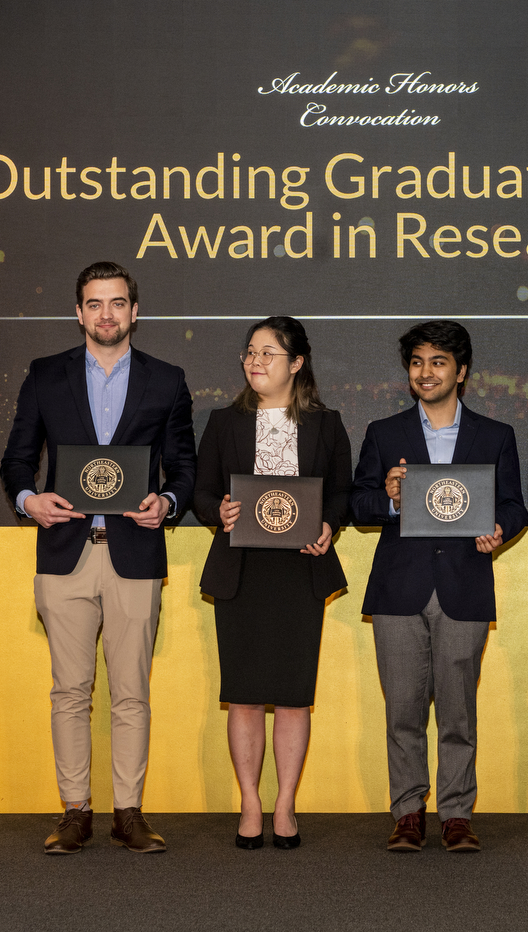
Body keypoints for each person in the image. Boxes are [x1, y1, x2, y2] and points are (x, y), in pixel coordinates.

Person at [0, 261, 196, 855]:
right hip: (65, 554)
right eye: (94, 303)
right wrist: (29, 500)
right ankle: (75, 811)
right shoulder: (44, 375)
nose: (106, 314)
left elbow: (184, 468)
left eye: (116, 303)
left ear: (135, 311)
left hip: (136, 553)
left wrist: (166, 501)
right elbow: (15, 460)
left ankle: (129, 813)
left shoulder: (167, 380)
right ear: (78, 312)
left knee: (132, 691)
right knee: (70, 690)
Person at [350, 321, 528, 854]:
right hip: (399, 588)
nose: (426, 372)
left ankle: (455, 814)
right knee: (402, 708)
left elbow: (514, 505)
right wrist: (386, 497)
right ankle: (407, 812)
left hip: (464, 586)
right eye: (418, 363)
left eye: (439, 362)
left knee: (458, 712)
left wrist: (500, 529)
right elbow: (357, 505)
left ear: (462, 371)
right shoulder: (385, 433)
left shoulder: (495, 436)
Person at [194, 316, 350, 850]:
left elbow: (342, 494)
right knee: (242, 697)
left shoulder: (326, 424)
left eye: (269, 352)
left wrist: (329, 525)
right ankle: (250, 802)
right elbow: (201, 492)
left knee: (290, 697)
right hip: (242, 570)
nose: (255, 361)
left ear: (297, 363)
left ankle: (285, 804)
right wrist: (219, 509)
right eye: (250, 351)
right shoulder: (223, 421)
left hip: (299, 570)